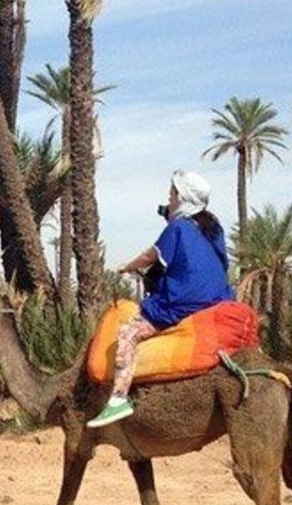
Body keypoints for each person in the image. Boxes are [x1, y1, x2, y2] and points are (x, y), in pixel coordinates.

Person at [87, 169, 234, 428]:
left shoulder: (177, 228)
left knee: (128, 334)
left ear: (183, 197)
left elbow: (150, 257)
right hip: (220, 299)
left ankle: (118, 399)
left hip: (183, 300)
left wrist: (125, 267)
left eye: (172, 193)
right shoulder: (213, 228)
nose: (169, 196)